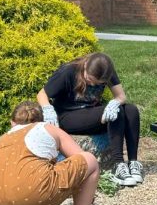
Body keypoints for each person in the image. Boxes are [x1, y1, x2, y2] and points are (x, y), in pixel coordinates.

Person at [0, 101, 101, 205]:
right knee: (90, 160)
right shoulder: (47, 128)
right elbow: (79, 158)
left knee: (9, 177)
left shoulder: (1, 139)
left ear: (12, 122)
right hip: (35, 195)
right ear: (41, 120)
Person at [36, 52, 143, 186]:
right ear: (86, 66)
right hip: (68, 115)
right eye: (89, 79)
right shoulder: (69, 71)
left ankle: (133, 162)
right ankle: (118, 164)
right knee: (118, 112)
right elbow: (42, 94)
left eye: (98, 83)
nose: (92, 84)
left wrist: (115, 102)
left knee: (131, 110)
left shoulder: (106, 71)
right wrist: (47, 109)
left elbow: (120, 96)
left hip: (90, 112)